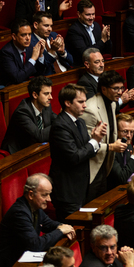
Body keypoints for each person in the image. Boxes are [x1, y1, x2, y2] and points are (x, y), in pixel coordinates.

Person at [0, 173, 76, 267]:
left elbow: (49, 224)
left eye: (49, 194)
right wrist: (61, 231)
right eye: (44, 195)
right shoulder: (19, 213)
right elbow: (35, 245)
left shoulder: (34, 207)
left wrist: (64, 227)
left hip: (21, 261)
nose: (49, 199)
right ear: (30, 195)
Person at [49, 84, 107, 221]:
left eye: (85, 101)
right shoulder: (60, 126)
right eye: (81, 102)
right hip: (67, 193)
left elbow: (88, 151)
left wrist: (95, 141)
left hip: (81, 189)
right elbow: (74, 157)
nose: (85, 106)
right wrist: (94, 141)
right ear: (67, 103)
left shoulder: (79, 122)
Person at [80, 71, 130, 200]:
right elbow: (87, 145)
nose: (120, 92)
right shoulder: (90, 109)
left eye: (121, 88)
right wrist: (112, 147)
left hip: (105, 165)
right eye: (116, 89)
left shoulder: (112, 103)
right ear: (103, 89)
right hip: (92, 168)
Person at [1, 76, 57, 154]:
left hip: (34, 148)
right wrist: (61, 124)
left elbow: (57, 120)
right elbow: (38, 136)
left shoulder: (45, 105)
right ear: (35, 95)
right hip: (16, 153)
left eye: (50, 93)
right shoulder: (22, 112)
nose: (51, 97)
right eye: (46, 94)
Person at [0, 18, 47, 86]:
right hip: (4, 88)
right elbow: (17, 78)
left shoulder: (29, 48)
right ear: (14, 36)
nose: (28, 38)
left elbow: (39, 73)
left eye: (29, 34)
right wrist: (33, 59)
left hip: (22, 86)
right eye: (23, 35)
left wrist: (40, 55)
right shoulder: (6, 53)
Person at [65, 0, 112, 67]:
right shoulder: (74, 31)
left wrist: (107, 38)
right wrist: (102, 41)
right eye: (88, 15)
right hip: (84, 66)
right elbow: (85, 54)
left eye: (93, 14)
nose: (91, 18)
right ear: (79, 14)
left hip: (99, 63)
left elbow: (107, 51)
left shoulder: (96, 26)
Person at [108, 113, 134, 191]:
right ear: (116, 131)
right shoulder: (111, 150)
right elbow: (122, 177)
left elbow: (131, 171)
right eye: (125, 131)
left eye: (132, 132)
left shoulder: (128, 146)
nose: (129, 135)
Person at [30, 11, 73, 75]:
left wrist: (62, 52)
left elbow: (71, 61)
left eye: (51, 26)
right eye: (46, 26)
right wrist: (52, 51)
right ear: (36, 25)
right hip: (50, 78)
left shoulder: (53, 35)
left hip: (67, 72)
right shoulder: (30, 42)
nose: (50, 29)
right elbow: (40, 70)